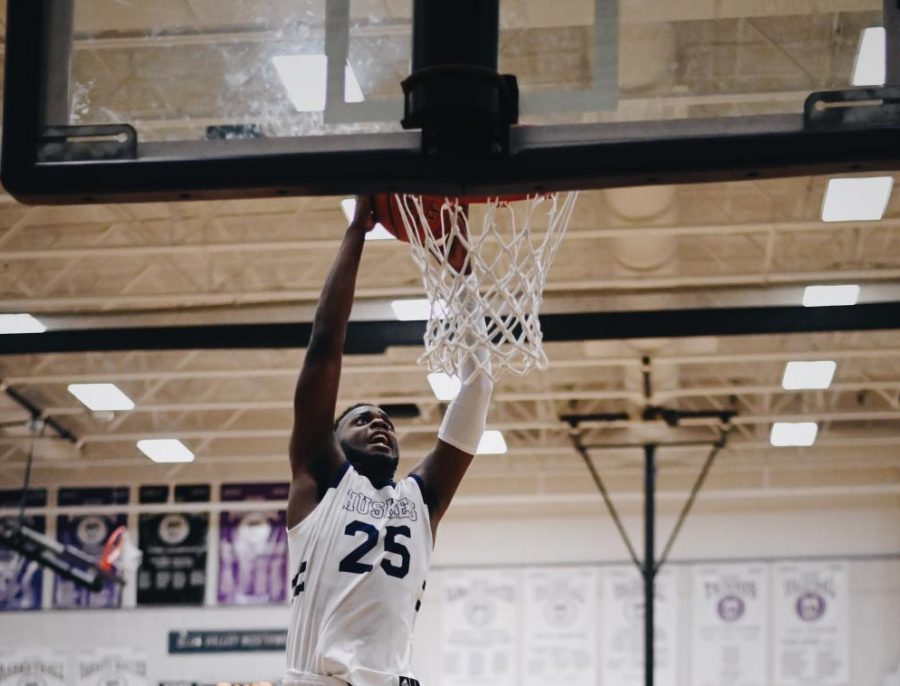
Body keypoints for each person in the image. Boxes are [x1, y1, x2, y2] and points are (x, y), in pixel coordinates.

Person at [284, 196, 494, 686]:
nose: (380, 424)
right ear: (332, 439)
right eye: (361, 419)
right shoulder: (320, 481)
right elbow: (323, 345)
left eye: (387, 422)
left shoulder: (421, 500)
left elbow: (478, 385)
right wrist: (358, 230)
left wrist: (463, 280)